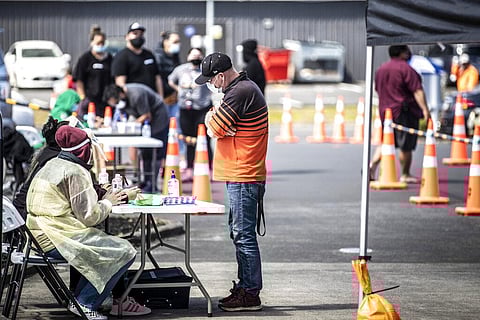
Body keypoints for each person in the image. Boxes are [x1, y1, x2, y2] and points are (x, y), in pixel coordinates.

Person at [26, 125, 150, 319]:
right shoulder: (76, 171)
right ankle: (85, 302)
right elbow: (89, 217)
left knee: (108, 244)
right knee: (124, 251)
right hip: (55, 236)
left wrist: (103, 195)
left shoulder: (51, 164)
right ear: (84, 150)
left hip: (35, 234)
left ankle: (84, 298)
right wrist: (109, 201)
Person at [195, 52, 268, 312]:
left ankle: (250, 293)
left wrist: (211, 118)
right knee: (239, 233)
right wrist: (216, 118)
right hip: (240, 172)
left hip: (243, 173)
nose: (211, 85)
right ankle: (246, 286)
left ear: (221, 76)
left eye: (211, 80)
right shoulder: (242, 89)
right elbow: (220, 126)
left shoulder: (239, 92)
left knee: (243, 235)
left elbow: (214, 129)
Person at [369, 45, 431, 183]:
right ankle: (405, 173)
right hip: (403, 111)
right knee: (406, 144)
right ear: (402, 53)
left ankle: (372, 166)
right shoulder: (406, 69)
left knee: (387, 140)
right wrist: (425, 110)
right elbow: (417, 91)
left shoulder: (381, 69)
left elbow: (378, 89)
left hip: (386, 111)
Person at [103, 83, 169, 192]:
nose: (117, 104)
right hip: (146, 122)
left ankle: (152, 183)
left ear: (120, 94)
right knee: (144, 152)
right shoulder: (124, 100)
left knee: (154, 151)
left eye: (117, 101)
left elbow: (147, 115)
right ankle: (145, 180)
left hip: (158, 117)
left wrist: (132, 124)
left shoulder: (137, 95)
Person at [168, 47, 213, 180]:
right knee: (189, 139)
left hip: (202, 107)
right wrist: (179, 90)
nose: (196, 58)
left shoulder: (205, 71)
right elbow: (170, 80)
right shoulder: (181, 70)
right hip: (185, 108)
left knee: (204, 138)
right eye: (193, 55)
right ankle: (189, 168)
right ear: (188, 57)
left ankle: (207, 168)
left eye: (198, 55)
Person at [112, 22, 163, 97]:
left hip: (151, 99)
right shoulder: (121, 57)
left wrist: (160, 97)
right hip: (133, 100)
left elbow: (157, 78)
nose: (138, 37)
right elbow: (120, 83)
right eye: (135, 34)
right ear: (127, 37)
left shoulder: (149, 54)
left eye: (141, 34)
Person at [73, 25, 114, 118]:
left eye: (102, 43)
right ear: (92, 43)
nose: (100, 45)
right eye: (98, 43)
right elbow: (79, 80)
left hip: (105, 102)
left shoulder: (110, 59)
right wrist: (82, 98)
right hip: (90, 101)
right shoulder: (85, 59)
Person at [155, 31, 181, 115]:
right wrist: (161, 97)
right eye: (175, 42)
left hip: (174, 97)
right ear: (166, 42)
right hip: (162, 97)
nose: (178, 44)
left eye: (178, 42)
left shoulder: (175, 56)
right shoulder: (158, 57)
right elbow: (158, 78)